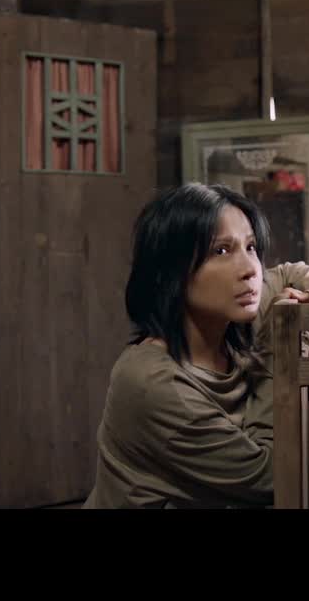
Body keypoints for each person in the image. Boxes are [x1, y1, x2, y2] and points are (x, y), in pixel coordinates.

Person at [84, 183, 276, 509]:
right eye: (221, 251)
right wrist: (274, 356)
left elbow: (288, 274)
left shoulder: (228, 336)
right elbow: (269, 478)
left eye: (251, 247)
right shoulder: (154, 383)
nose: (250, 270)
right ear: (171, 271)